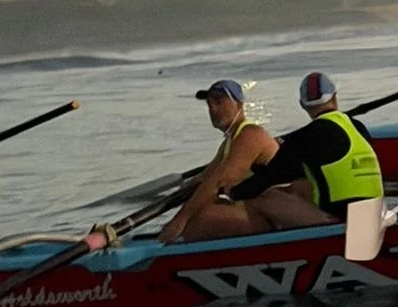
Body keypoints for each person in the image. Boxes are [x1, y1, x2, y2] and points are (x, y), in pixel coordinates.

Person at [217, 72, 384, 232]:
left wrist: (231, 193)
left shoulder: (305, 138)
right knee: (299, 187)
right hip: (376, 213)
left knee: (264, 198)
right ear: (334, 97)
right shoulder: (358, 127)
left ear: (303, 105)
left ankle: (270, 249)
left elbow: (268, 179)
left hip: (343, 223)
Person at [159, 79, 280, 243]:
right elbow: (205, 178)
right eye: (209, 103)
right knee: (197, 215)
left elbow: (219, 181)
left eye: (219, 101)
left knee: (200, 220)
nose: (213, 109)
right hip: (259, 209)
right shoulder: (230, 140)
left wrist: (180, 220)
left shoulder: (251, 134)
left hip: (276, 214)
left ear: (239, 104)